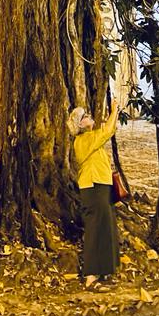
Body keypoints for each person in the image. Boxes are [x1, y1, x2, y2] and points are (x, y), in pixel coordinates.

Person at [67, 99, 120, 288]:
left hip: (101, 186)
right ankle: (90, 276)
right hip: (93, 187)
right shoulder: (83, 141)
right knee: (95, 229)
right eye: (85, 116)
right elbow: (108, 131)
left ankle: (104, 271)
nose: (89, 116)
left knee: (106, 228)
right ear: (80, 125)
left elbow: (106, 130)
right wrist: (114, 110)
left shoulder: (92, 138)